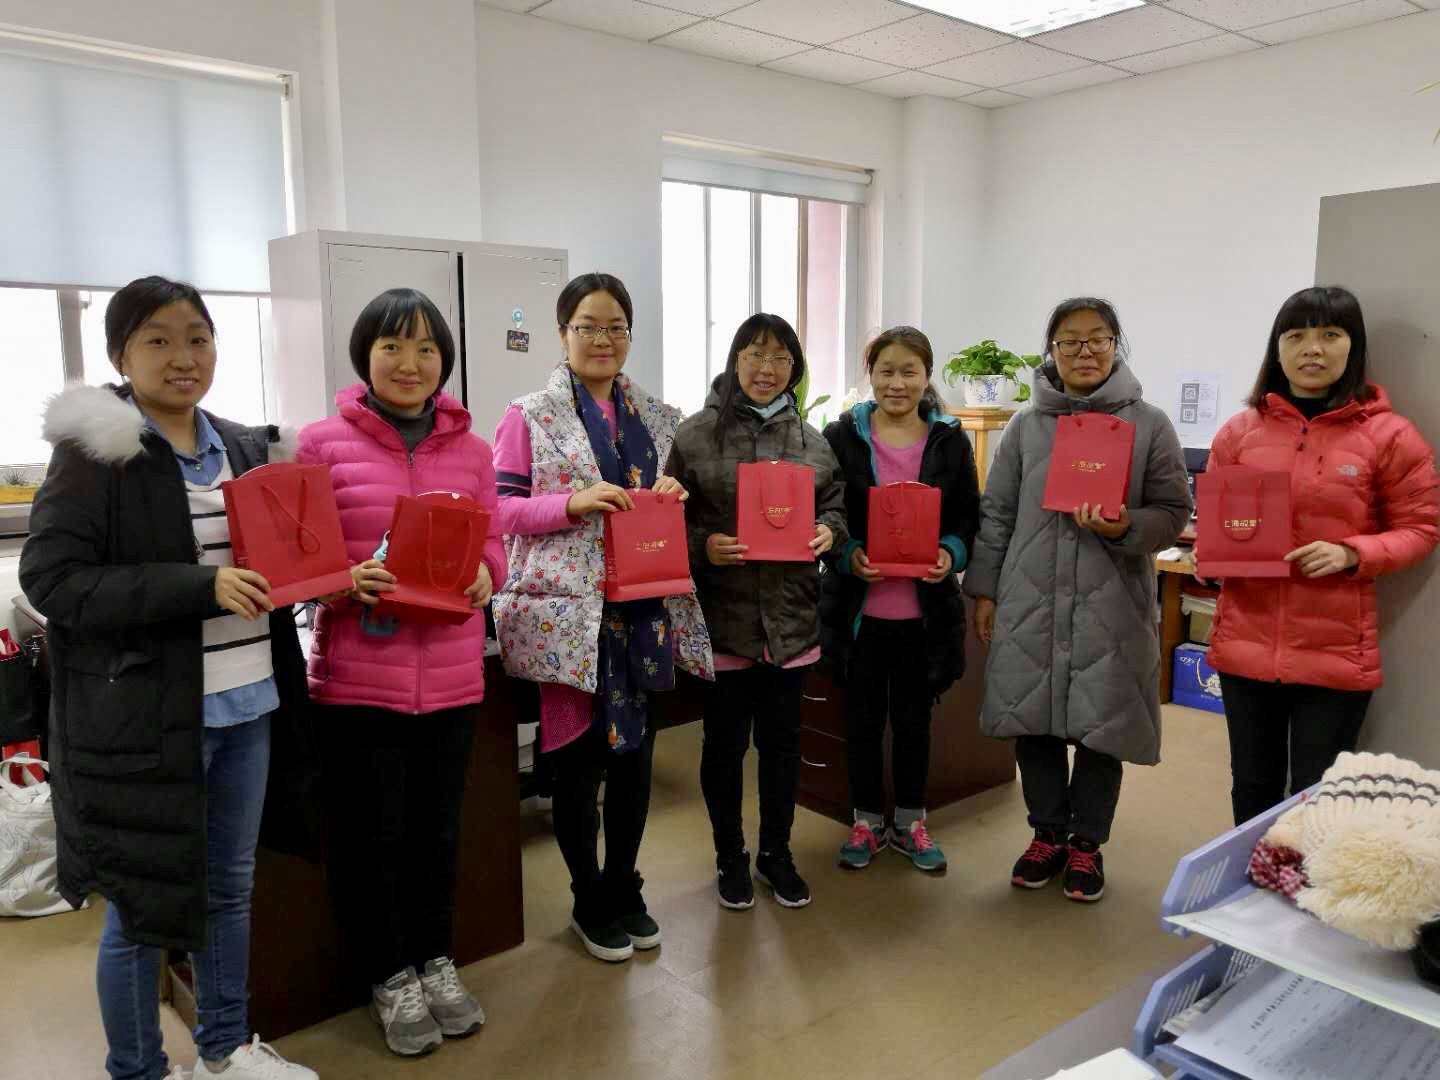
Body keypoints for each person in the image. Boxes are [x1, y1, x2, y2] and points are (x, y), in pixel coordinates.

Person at [20, 276, 318, 1080]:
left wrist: (325, 573)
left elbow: (273, 563)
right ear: (121, 355)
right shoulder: (98, 451)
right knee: (142, 909)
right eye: (157, 339)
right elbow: (52, 582)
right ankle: (138, 1070)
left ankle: (225, 1050)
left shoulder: (242, 447)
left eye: (198, 338)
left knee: (229, 889)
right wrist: (198, 587)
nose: (183, 357)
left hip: (248, 703)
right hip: (145, 721)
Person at [297, 288, 505, 1057]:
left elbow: (494, 542)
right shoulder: (320, 443)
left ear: (444, 360)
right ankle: (389, 976)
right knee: (373, 837)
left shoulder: (473, 450)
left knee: (437, 832)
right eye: (392, 346)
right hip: (360, 678)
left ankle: (435, 960)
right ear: (366, 356)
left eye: (425, 348)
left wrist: (487, 575)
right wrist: (343, 580)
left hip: (450, 677)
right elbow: (303, 559)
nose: (409, 363)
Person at [492, 272, 712, 964]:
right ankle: (587, 897)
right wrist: (572, 504)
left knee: (636, 764)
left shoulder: (658, 417)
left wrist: (671, 491)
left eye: (616, 326)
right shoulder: (528, 416)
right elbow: (500, 511)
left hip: (643, 610)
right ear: (563, 334)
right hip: (571, 621)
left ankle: (625, 884)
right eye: (588, 326)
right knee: (579, 769)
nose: (603, 339)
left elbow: (667, 504)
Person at [963, 297, 1190, 903]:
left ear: (1116, 345)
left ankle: (1087, 843)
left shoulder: (1150, 425)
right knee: (1031, 721)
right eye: (1070, 341)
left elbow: (1173, 512)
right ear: (1052, 350)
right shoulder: (1023, 426)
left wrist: (1125, 526)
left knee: (1101, 726)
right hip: (1030, 599)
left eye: (1098, 339)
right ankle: (1047, 835)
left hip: (1111, 604)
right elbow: (997, 514)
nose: (1084, 351)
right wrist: (985, 590)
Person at [1204, 285, 1439, 825]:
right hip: (1246, 643)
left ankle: (1305, 880)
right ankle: (1254, 875)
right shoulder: (1239, 432)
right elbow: (1219, 525)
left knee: (1318, 797)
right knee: (1252, 785)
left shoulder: (1389, 435)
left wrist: (1352, 553)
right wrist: (1213, 560)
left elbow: (1422, 528)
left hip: (1335, 651)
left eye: (1330, 334)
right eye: (1296, 335)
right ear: (1277, 348)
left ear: (1353, 346)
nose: (1312, 348)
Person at [666, 313, 849, 910]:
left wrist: (829, 531)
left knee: (782, 747)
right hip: (726, 621)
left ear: (795, 368)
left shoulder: (814, 441)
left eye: (780, 358)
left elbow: (837, 508)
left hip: (791, 623)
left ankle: (776, 853)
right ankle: (730, 856)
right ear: (735, 360)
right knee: (723, 748)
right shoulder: (694, 436)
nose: (766, 368)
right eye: (755, 354)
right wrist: (705, 546)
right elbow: (665, 522)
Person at [820, 326, 980, 872]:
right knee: (861, 723)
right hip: (859, 614)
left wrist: (952, 553)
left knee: (915, 725)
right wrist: (847, 553)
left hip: (924, 616)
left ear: (926, 376)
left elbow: (968, 515)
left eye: (909, 371)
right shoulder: (841, 436)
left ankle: (911, 822)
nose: (897, 383)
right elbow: (825, 511)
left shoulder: (950, 440)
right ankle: (866, 822)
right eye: (885, 370)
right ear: (871, 375)